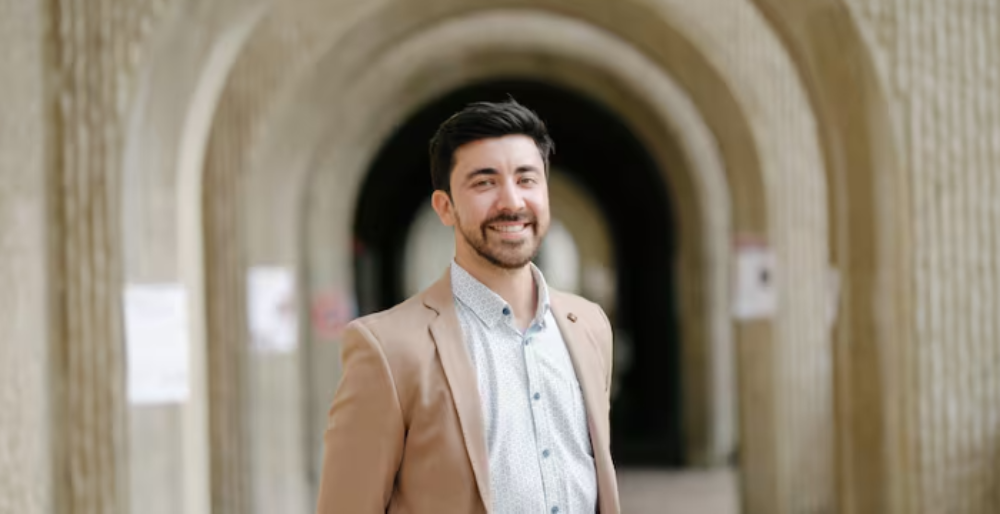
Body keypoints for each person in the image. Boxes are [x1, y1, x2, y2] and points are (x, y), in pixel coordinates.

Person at [315, 99, 619, 514]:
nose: (511, 202)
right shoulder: (386, 349)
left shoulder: (589, 325)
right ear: (445, 207)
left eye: (526, 179)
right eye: (484, 182)